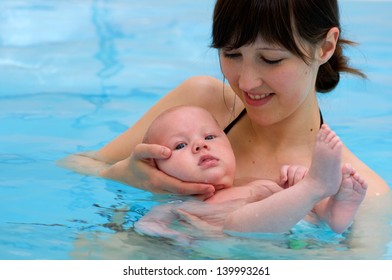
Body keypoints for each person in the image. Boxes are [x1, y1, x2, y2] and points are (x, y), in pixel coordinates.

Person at [59, 0, 388, 200]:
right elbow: (74, 165)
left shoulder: (355, 188)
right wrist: (119, 176)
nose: (245, 82)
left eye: (271, 60)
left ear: (325, 48)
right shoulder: (200, 109)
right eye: (231, 54)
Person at [133, 105, 367, 239]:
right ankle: (314, 187)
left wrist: (293, 184)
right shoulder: (177, 205)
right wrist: (177, 237)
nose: (200, 145)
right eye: (180, 145)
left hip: (294, 234)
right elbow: (146, 225)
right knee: (234, 223)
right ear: (157, 168)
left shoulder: (254, 184)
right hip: (240, 236)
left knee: (286, 196)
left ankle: (332, 212)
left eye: (210, 137)